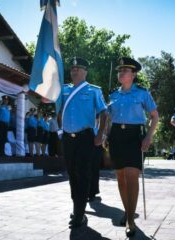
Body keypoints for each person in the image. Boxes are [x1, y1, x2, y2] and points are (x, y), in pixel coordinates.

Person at [107, 57, 159, 237]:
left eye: (125, 70)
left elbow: (154, 116)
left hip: (134, 137)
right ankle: (127, 212)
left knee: (131, 177)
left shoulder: (142, 93)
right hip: (116, 137)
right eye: (120, 70)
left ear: (134, 74)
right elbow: (107, 117)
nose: (121, 73)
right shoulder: (113, 94)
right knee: (120, 178)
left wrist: (148, 137)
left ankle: (130, 219)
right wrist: (105, 135)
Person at [61, 57, 107, 228]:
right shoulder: (63, 89)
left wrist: (100, 134)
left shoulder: (94, 91)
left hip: (85, 137)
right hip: (67, 138)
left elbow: (104, 113)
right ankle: (77, 208)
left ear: (85, 72)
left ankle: (79, 213)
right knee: (72, 174)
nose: (74, 70)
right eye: (73, 68)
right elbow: (51, 103)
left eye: (79, 68)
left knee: (83, 174)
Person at [88, 114, 104, 202]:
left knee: (94, 172)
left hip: (96, 151)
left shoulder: (98, 129)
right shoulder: (91, 128)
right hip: (91, 151)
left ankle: (92, 192)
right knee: (91, 172)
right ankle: (90, 193)